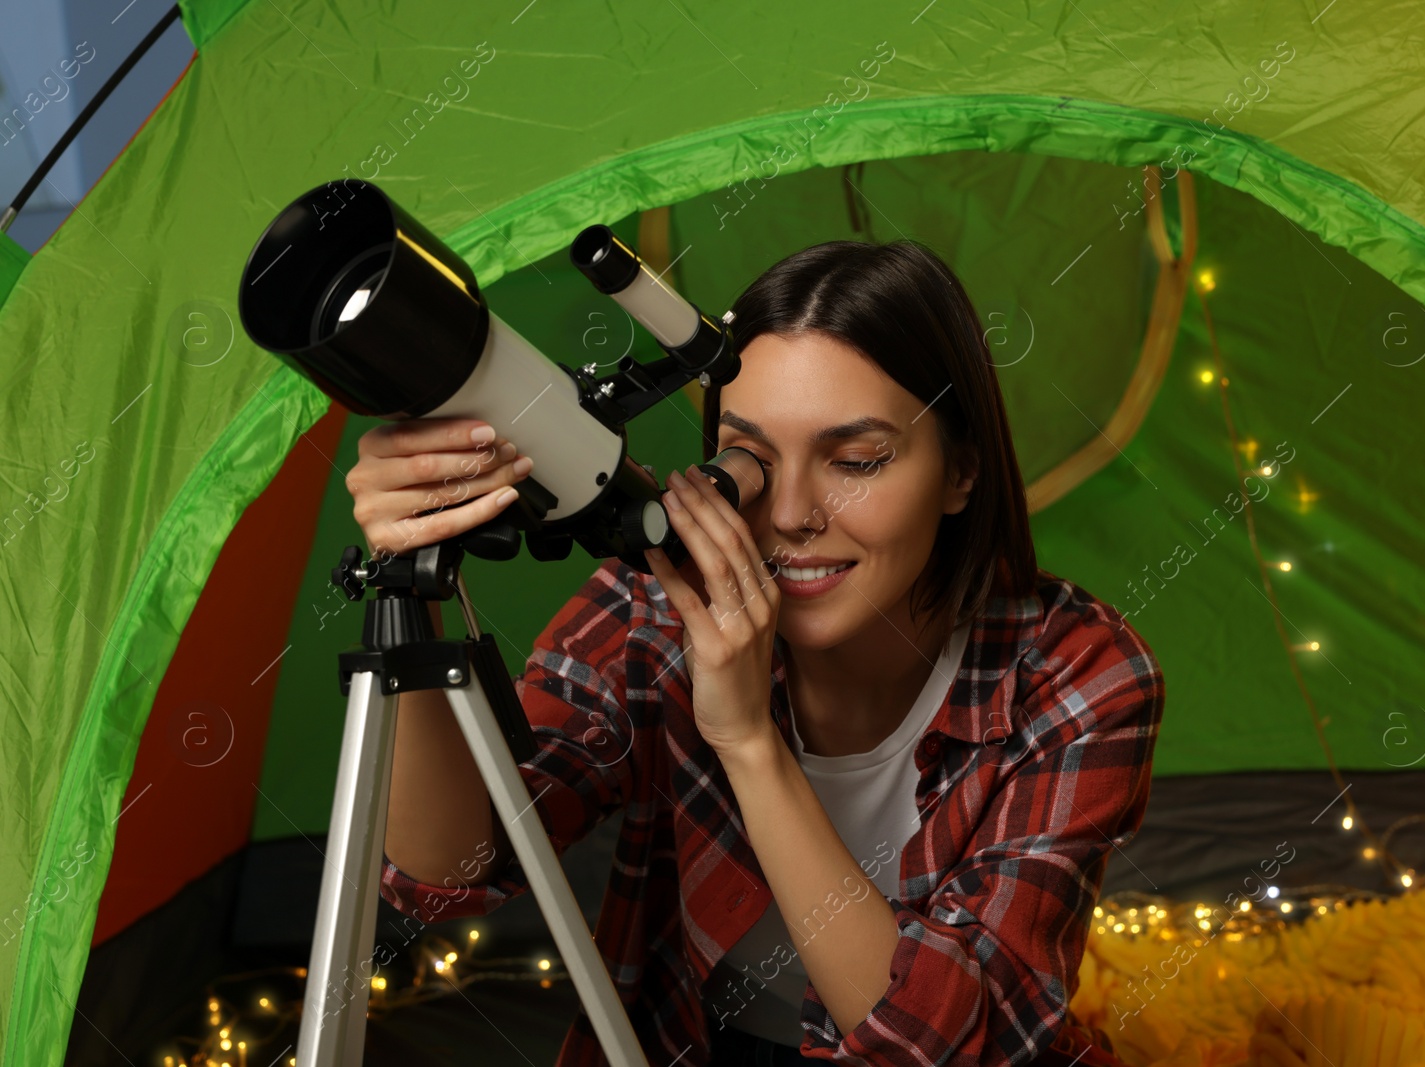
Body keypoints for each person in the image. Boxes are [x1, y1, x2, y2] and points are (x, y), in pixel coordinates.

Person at [348, 238, 1165, 1067]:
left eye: (856, 461)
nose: (794, 515)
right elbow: (450, 872)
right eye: (750, 463)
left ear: (961, 471)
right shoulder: (656, 612)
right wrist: (410, 577)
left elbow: (947, 1048)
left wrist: (747, 740)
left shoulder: (1077, 673)